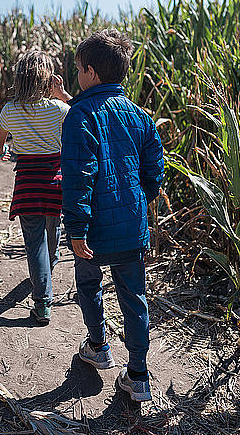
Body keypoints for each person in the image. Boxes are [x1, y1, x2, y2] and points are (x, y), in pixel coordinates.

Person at [61, 30, 164, 402]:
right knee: (134, 298)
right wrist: (139, 200)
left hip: (94, 231)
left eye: (77, 69)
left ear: (90, 72)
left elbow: (78, 175)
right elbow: (155, 166)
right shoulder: (139, 116)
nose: (76, 75)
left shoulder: (80, 115)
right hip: (131, 228)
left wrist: (75, 227)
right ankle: (138, 375)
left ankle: (98, 346)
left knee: (89, 285)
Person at [0, 51, 71, 324]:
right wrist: (62, 95)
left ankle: (42, 303)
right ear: (47, 79)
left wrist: (3, 151)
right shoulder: (59, 110)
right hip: (56, 182)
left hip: (27, 184)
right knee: (53, 227)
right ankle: (50, 264)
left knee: (33, 242)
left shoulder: (9, 110)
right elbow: (82, 120)